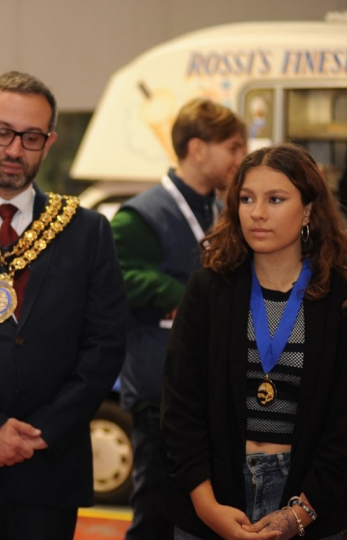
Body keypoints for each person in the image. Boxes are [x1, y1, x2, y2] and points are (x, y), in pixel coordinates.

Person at [0, 71, 127, 540]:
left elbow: (104, 346)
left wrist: (44, 431)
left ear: (49, 143)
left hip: (50, 467)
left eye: (30, 137)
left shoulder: (86, 231)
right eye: (2, 132)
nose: (14, 150)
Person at [162, 143, 347, 540]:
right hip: (213, 498)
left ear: (309, 210)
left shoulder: (337, 295)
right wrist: (206, 506)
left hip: (315, 499)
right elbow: (180, 408)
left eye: (275, 199)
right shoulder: (208, 288)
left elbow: (343, 421)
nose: (257, 213)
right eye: (246, 199)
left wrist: (299, 514)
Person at [112, 98, 247, 540]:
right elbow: (121, 279)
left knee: (201, 515)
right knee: (155, 513)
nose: (241, 158)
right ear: (197, 149)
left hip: (211, 391)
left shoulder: (224, 207)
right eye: (233, 146)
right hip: (158, 397)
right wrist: (189, 297)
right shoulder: (140, 215)